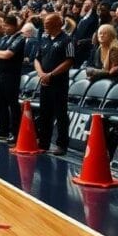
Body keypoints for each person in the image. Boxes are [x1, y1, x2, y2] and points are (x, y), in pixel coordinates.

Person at [34, 12, 74, 155]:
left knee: (61, 114)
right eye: (45, 22)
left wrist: (51, 74)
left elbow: (69, 61)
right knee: (45, 113)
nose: (45, 24)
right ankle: (44, 143)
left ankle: (62, 145)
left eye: (48, 22)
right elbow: (36, 59)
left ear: (58, 23)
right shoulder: (44, 38)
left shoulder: (67, 40)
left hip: (59, 83)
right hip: (44, 82)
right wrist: (41, 74)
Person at [0, 14, 25, 143]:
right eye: (4, 25)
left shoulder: (20, 38)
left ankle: (15, 133)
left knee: (12, 104)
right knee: (0, 103)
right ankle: (2, 130)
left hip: (12, 74)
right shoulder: (3, 38)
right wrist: (0, 53)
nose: (4, 28)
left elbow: (8, 55)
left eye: (7, 26)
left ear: (14, 26)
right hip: (0, 73)